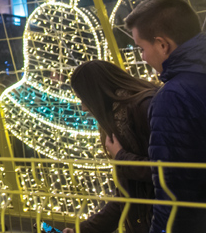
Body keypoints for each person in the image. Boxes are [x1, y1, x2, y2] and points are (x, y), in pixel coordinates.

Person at [125, 0, 206, 232]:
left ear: (162, 44)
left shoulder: (173, 97)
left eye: (141, 48)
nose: (143, 57)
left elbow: (174, 191)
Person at [58, 60, 157, 233]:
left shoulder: (142, 108)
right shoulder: (119, 118)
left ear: (96, 93)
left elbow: (167, 170)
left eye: (84, 98)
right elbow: (126, 197)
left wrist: (121, 157)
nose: (83, 107)